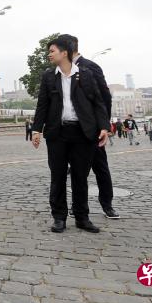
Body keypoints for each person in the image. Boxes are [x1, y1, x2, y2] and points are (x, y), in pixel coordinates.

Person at [31, 35, 109, 234]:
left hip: (83, 133)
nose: (49, 54)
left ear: (64, 52)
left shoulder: (86, 74)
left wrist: (104, 127)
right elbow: (42, 105)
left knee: (80, 177)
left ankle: (82, 218)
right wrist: (36, 130)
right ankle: (59, 217)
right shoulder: (49, 76)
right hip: (58, 133)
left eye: (52, 51)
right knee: (57, 176)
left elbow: (97, 102)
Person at [63, 35, 120, 219]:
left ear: (69, 50)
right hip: (73, 130)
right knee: (78, 171)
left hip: (93, 130)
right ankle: (78, 207)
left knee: (100, 167)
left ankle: (107, 204)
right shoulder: (62, 69)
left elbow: (104, 98)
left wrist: (103, 125)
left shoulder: (90, 66)